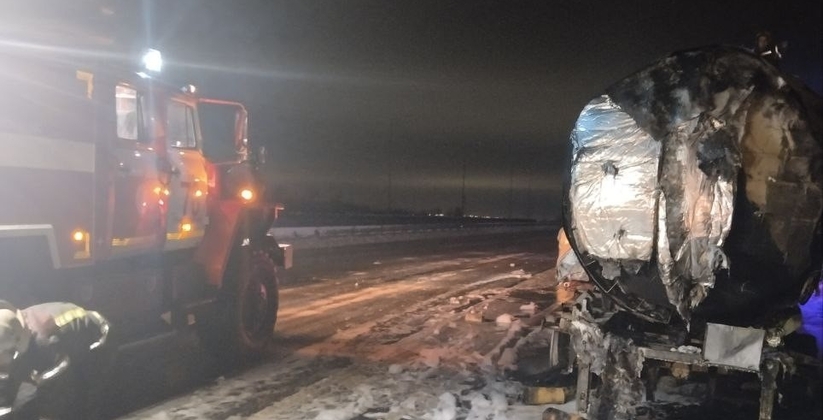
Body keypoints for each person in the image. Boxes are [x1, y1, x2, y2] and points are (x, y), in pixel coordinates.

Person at [0, 301, 111, 420]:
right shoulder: (16, 325)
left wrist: (47, 415)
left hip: (100, 337)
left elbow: (60, 380)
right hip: (60, 339)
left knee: (83, 396)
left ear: (16, 344)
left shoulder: (44, 341)